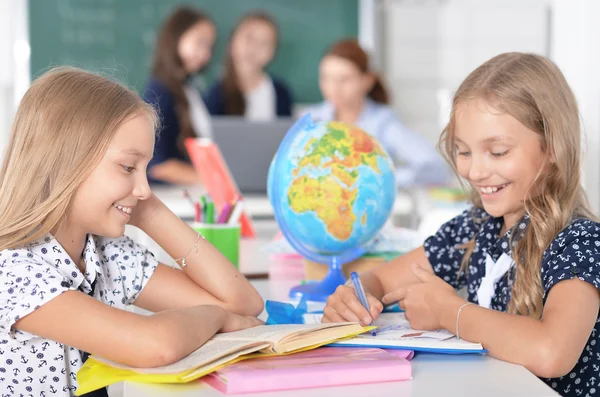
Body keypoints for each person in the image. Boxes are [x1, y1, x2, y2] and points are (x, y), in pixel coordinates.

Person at [321, 53, 600, 396]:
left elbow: (552, 352)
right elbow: (380, 278)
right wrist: (354, 295)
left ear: (553, 147)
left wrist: (449, 312)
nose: (476, 172)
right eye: (463, 151)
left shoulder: (580, 241)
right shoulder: (475, 226)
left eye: (497, 152)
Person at [0, 67, 264, 396]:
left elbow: (242, 304)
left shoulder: (107, 252)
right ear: (66, 162)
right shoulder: (13, 271)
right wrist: (216, 318)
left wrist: (151, 213)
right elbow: (153, 344)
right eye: (128, 167)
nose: (143, 188)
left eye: (145, 169)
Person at [304, 39, 450, 188]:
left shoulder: (382, 123)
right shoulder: (311, 120)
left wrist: (381, 177)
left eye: (345, 79)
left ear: (367, 81)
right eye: (326, 78)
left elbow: (435, 168)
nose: (333, 89)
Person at [143, 6, 216, 185]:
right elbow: (157, 164)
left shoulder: (188, 90)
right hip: (171, 199)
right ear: (176, 37)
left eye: (209, 46)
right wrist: (213, 181)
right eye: (200, 42)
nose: (206, 54)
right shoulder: (159, 92)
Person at [204, 11, 293, 120]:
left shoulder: (281, 92)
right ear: (233, 41)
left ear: (273, 52)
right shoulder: (215, 94)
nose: (255, 48)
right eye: (249, 38)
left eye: (264, 43)